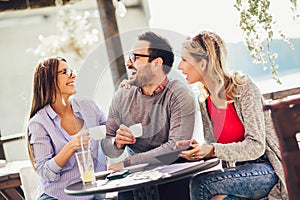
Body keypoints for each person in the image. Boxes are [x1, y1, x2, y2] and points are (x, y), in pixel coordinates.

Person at [175, 31, 287, 200]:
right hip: (239, 173)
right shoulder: (205, 101)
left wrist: (212, 149)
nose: (179, 66)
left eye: (184, 60)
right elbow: (217, 147)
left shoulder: (243, 88)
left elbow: (256, 146)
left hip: (269, 169)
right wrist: (199, 149)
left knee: (202, 184)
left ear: (203, 64)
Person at [101, 31, 196, 199]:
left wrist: (127, 163)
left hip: (173, 174)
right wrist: (117, 142)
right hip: (136, 178)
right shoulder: (122, 95)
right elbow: (108, 147)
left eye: (135, 57)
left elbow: (175, 148)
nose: (128, 63)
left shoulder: (179, 94)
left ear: (156, 63)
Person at [27, 57, 107, 200]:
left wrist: (118, 139)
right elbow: (45, 172)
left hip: (93, 194)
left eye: (71, 71)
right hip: (58, 196)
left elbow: (110, 135)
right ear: (49, 80)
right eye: (65, 72)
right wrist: (70, 146)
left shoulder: (88, 107)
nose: (73, 75)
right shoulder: (39, 123)